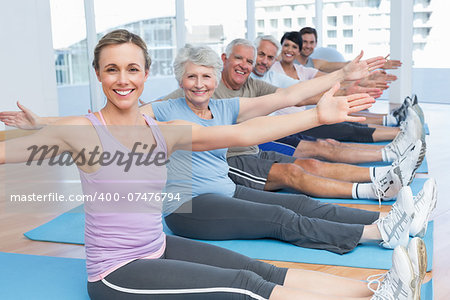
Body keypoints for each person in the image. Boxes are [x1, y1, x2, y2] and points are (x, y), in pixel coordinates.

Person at [0, 29, 430, 300]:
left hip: (156, 246)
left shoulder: (160, 130)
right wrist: (38, 126)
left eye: (132, 68)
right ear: (98, 74)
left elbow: (244, 134)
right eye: (111, 70)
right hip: (116, 273)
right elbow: (10, 150)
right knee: (245, 287)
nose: (123, 79)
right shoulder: (83, 130)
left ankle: (374, 291)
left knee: (256, 268)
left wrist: (319, 112)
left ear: (146, 74)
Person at [154, 39, 422, 198]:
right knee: (312, 158)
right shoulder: (183, 96)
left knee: (323, 150)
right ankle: (380, 178)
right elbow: (153, 111)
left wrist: (342, 81)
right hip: (233, 160)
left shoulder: (246, 92)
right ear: (224, 60)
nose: (246, 65)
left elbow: (289, 96)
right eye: (239, 58)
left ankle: (385, 171)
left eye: (252, 60)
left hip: (259, 144)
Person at [251, 35, 425, 165]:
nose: (265, 61)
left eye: (269, 57)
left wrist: (348, 88)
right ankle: (397, 139)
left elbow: (308, 89)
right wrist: (345, 89)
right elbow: (298, 97)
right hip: (289, 124)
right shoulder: (264, 74)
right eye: (261, 55)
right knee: (335, 138)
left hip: (297, 121)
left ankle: (398, 139)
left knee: (345, 128)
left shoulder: (294, 70)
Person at [296, 27, 402, 73]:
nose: (308, 46)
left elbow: (346, 65)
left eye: (311, 42)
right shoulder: (287, 60)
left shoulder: (316, 64)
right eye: (305, 42)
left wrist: (377, 64)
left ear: (316, 44)